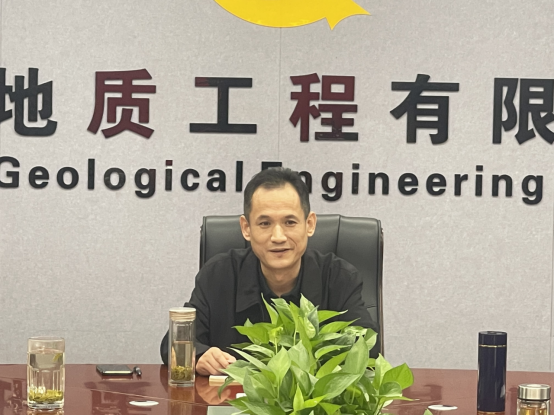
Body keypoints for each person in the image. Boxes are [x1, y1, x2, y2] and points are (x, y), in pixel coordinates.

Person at [160, 167, 377, 376]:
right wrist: (199, 356)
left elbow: (367, 347)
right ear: (246, 228)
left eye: (290, 222)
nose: (278, 237)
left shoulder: (338, 278)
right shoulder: (219, 275)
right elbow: (173, 343)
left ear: (309, 224)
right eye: (264, 223)